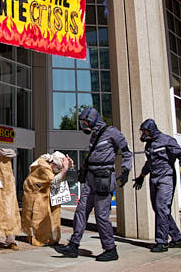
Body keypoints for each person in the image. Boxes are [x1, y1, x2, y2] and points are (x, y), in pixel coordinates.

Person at [55, 107, 132, 262]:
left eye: (85, 122)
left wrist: (125, 170)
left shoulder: (112, 132)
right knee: (81, 210)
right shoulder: (94, 136)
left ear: (93, 120)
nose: (84, 126)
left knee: (101, 215)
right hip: (90, 178)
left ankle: (110, 249)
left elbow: (127, 152)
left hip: (104, 177)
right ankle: (74, 245)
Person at [132, 118, 181, 252]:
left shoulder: (167, 140)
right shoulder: (148, 145)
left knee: (161, 208)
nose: (143, 134)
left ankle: (162, 242)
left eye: (145, 131)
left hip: (166, 178)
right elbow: (150, 162)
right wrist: (141, 176)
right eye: (142, 132)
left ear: (152, 130)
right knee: (160, 210)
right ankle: (177, 238)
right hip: (154, 179)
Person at [21, 151, 73, 246]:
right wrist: (65, 169)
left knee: (52, 214)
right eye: (57, 168)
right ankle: (38, 237)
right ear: (52, 163)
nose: (57, 170)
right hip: (34, 192)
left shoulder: (49, 164)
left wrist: (67, 167)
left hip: (44, 190)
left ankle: (51, 237)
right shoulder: (43, 165)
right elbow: (53, 180)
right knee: (38, 215)